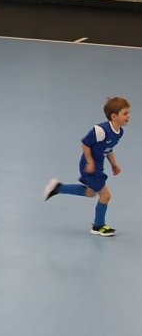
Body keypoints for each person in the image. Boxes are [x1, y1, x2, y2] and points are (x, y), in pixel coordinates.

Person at [44, 96, 130, 237]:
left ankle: (58, 188)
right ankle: (98, 226)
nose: (128, 116)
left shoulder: (119, 132)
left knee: (90, 193)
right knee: (106, 196)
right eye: (125, 113)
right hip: (89, 166)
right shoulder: (100, 130)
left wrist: (114, 164)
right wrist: (90, 162)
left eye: (128, 113)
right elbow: (85, 143)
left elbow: (108, 149)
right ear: (114, 116)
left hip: (97, 165)